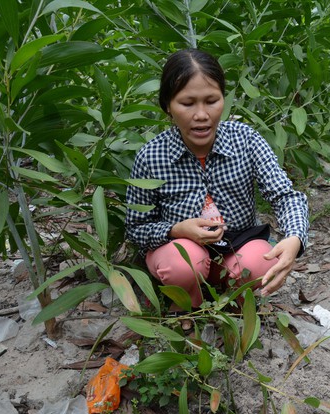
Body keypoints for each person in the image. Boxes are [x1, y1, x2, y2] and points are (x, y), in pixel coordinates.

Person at [125, 49, 309, 308]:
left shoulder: (245, 139)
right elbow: (136, 228)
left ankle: (231, 297)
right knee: (183, 264)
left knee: (258, 264)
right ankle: (189, 301)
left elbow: (284, 195)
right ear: (167, 105)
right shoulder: (152, 156)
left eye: (211, 101)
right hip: (181, 250)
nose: (201, 115)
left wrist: (295, 238)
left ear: (223, 99)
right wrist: (175, 230)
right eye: (187, 104)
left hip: (238, 246)